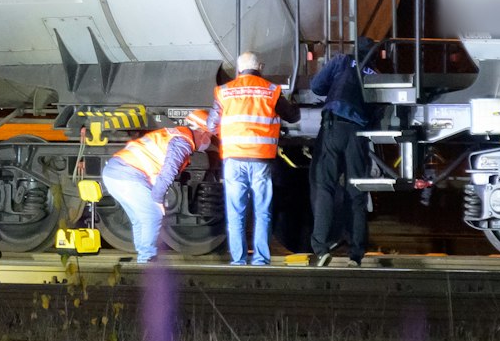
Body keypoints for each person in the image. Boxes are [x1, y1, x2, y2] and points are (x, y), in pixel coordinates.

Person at [214, 52, 300, 266]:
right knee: (262, 211)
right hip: (260, 159)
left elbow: (211, 124)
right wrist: (293, 102)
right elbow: (292, 116)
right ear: (260, 67)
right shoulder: (270, 90)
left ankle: (238, 260)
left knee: (236, 212)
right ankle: (261, 259)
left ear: (238, 69)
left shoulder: (224, 91)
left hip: (234, 159)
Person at [99, 111, 213, 264]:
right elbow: (168, 172)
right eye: (209, 135)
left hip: (114, 173)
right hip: (127, 174)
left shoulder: (175, 135)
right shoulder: (182, 142)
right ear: (201, 131)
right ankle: (147, 259)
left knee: (140, 219)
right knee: (152, 215)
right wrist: (157, 199)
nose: (208, 140)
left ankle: (143, 258)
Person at [309, 38, 378, 267]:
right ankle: (356, 255)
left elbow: (316, 86)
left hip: (333, 126)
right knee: (356, 192)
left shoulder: (341, 60)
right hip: (358, 132)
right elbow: (378, 108)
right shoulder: (375, 73)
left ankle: (321, 249)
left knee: (324, 186)